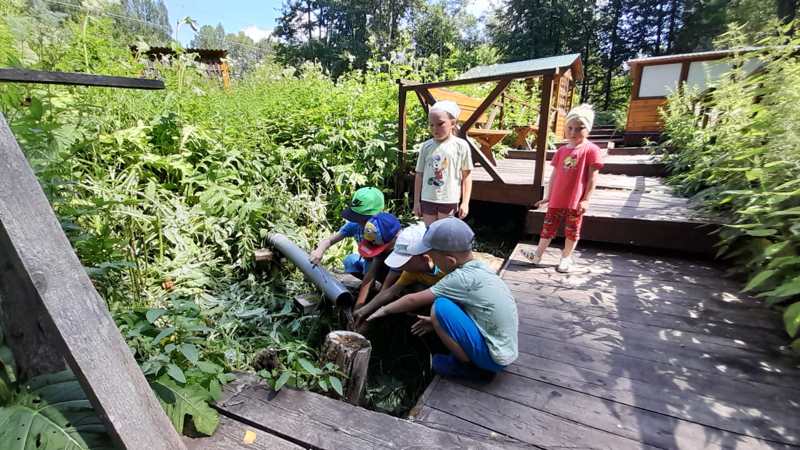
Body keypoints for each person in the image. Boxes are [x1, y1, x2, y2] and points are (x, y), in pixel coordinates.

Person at [367, 218, 518, 380]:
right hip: (504, 351)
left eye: (432, 255)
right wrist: (435, 322)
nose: (430, 259)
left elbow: (412, 300)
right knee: (443, 309)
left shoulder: (459, 278)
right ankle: (474, 360)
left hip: (492, 358)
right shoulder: (480, 269)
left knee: (440, 306)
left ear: (449, 260)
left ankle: (470, 368)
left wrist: (382, 311)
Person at [522, 104, 604, 273]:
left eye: (579, 128)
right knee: (548, 228)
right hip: (557, 200)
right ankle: (537, 255)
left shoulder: (591, 150)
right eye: (570, 128)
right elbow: (554, 175)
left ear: (588, 129)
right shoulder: (561, 151)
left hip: (575, 201)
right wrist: (549, 196)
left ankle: (566, 258)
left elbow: (592, 177)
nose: (573, 132)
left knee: (572, 231)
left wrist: (586, 199)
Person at [352, 222, 445, 329]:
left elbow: (411, 299)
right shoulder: (411, 272)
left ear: (425, 259)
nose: (401, 268)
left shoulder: (448, 269)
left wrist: (382, 311)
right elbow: (390, 291)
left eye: (404, 263)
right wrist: (363, 311)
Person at [413, 100, 473, 226]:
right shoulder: (426, 146)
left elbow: (466, 175)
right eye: (431, 125)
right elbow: (419, 174)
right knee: (430, 234)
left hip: (449, 199)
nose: (435, 129)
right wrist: (416, 202)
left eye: (440, 124)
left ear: (453, 123)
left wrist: (465, 202)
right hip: (428, 198)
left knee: (444, 234)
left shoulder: (461, 146)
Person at [309, 187, 384, 277]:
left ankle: (372, 286)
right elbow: (329, 240)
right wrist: (319, 250)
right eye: (357, 217)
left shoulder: (386, 227)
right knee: (350, 260)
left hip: (383, 266)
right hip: (366, 261)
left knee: (370, 264)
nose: (360, 222)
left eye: (363, 219)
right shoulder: (355, 225)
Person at [354, 212, 401, 307]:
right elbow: (370, 275)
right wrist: (358, 306)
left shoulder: (403, 250)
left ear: (393, 239)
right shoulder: (381, 243)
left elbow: (385, 289)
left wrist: (365, 314)